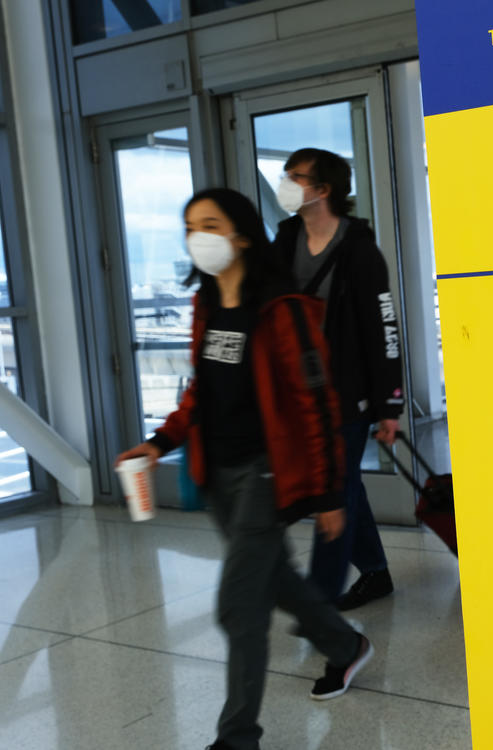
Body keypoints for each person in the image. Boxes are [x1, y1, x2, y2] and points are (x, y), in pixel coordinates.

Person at [115, 188, 373, 750]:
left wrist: (331, 494)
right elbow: (198, 395)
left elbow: (317, 403)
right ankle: (345, 645)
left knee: (240, 607)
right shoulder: (206, 307)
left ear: (243, 235)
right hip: (217, 476)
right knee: (273, 578)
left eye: (210, 224)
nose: (197, 236)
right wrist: (159, 444)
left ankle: (237, 738)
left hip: (266, 474)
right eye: (189, 226)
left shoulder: (285, 310)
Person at [272, 148, 404, 611]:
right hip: (298, 396)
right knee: (343, 485)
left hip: (347, 396)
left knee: (334, 489)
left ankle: (318, 601)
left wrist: (390, 405)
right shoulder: (284, 241)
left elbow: (382, 328)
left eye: (295, 177)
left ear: (323, 189)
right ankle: (375, 573)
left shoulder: (360, 250)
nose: (286, 183)